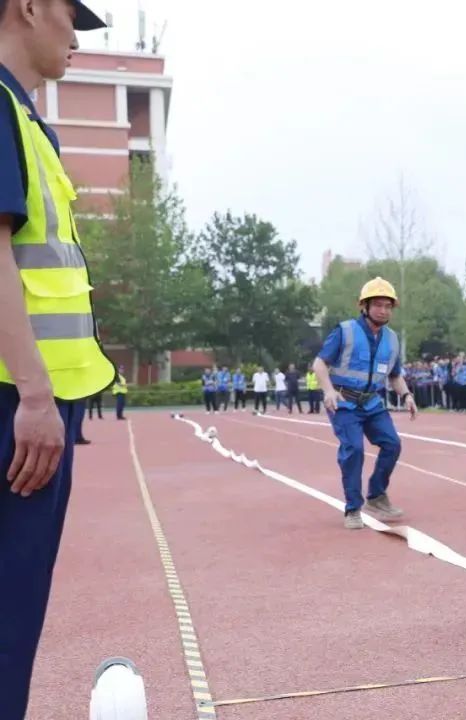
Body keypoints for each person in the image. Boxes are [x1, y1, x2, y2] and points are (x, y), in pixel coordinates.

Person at [0, 3, 116, 716]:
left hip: (25, 397)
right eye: (70, 15)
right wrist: (36, 396)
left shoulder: (23, 118)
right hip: (16, 403)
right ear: (28, 7)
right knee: (8, 619)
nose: (75, 36)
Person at [312, 277, 417, 529]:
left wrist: (407, 395)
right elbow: (319, 363)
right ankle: (352, 509)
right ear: (364, 306)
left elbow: (394, 375)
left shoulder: (392, 340)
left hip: (372, 403)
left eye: (388, 306)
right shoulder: (345, 331)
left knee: (392, 444)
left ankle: (377, 495)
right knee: (354, 450)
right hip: (344, 402)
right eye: (378, 305)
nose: (383, 310)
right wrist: (328, 391)